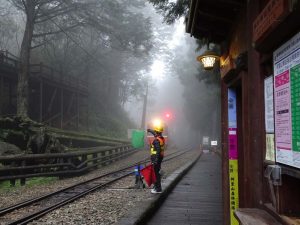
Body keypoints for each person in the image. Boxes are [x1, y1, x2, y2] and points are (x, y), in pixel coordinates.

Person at [147, 124, 165, 194]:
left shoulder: (157, 140)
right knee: (157, 173)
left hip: (156, 159)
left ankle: (158, 189)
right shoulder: (161, 138)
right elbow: (155, 133)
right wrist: (149, 130)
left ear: (157, 132)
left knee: (156, 174)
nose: (154, 132)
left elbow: (158, 151)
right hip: (159, 158)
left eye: (155, 131)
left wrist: (155, 160)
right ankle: (157, 187)